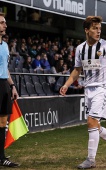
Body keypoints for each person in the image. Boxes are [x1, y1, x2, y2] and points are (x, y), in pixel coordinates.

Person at [60, 16, 106, 169]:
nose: (98, 31)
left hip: (103, 89)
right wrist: (66, 84)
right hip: (88, 90)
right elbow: (76, 70)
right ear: (86, 30)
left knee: (91, 122)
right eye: (95, 28)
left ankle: (91, 160)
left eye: (99, 29)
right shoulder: (80, 49)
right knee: (96, 126)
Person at [0, 12, 19, 167]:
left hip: (4, 86)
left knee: (2, 122)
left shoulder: (5, 45)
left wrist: (12, 86)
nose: (5, 25)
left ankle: (1, 157)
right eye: (2, 22)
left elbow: (5, 69)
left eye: (5, 22)